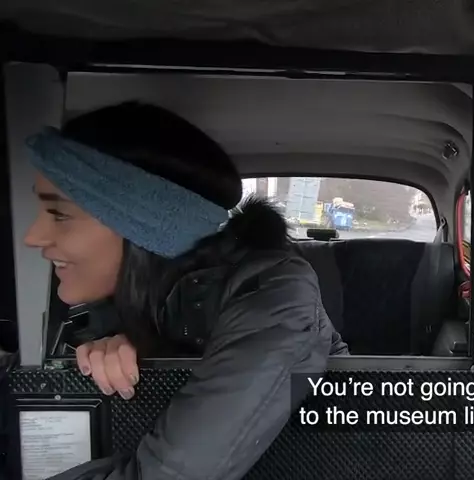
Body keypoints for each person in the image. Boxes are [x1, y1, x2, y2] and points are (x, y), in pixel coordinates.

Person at [22, 101, 349, 480]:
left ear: (145, 228)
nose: (33, 236)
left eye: (59, 214)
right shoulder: (130, 301)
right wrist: (136, 346)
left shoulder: (273, 296)